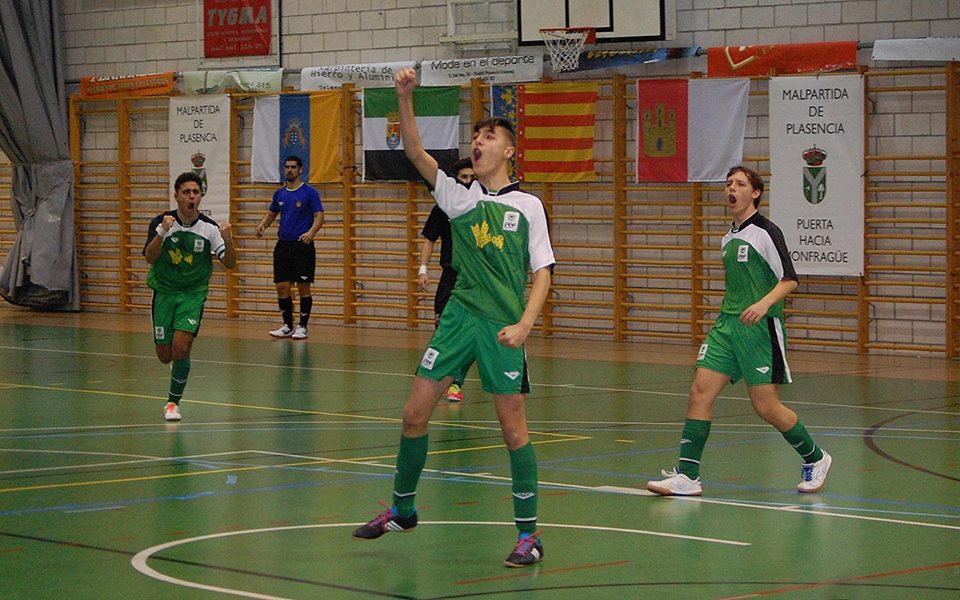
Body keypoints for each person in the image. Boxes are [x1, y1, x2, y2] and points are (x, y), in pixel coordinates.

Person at [352, 68, 555, 569]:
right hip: (459, 319)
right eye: (477, 135)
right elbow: (417, 153)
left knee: (513, 431)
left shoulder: (528, 206)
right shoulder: (458, 198)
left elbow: (544, 272)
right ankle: (403, 510)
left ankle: (529, 536)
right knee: (413, 414)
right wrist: (403, 98)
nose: (479, 141)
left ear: (508, 151)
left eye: (490, 137)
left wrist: (527, 323)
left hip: (503, 328)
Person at [647, 166, 832, 496]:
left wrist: (763, 304)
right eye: (728, 183)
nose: (732, 189)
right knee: (699, 392)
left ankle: (816, 457)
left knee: (766, 407)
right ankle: (688, 476)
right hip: (727, 327)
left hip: (760, 329)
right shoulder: (728, 237)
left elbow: (789, 279)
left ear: (755, 193)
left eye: (740, 184)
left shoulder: (766, 232)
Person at [143, 172, 237, 422]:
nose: (192, 197)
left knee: (181, 348)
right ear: (176, 196)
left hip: (192, 295)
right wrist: (162, 233)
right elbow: (150, 258)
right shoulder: (161, 223)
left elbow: (229, 264)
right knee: (165, 355)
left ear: (201, 196)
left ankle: (172, 403)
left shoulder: (210, 228)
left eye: (196, 192)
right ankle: (176, 363)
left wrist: (229, 240)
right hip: (164, 292)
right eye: (186, 192)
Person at [418, 157, 476, 402]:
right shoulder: (443, 206)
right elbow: (429, 239)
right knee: (443, 329)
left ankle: (456, 383)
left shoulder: (481, 207)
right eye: (464, 177)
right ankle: (441, 376)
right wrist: (423, 268)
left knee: (470, 333)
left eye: (473, 178)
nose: (468, 182)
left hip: (474, 279)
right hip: (450, 277)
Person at [255, 155, 324, 340]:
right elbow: (271, 213)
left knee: (303, 287)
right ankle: (287, 324)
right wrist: (263, 225)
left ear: (300, 169)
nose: (289, 170)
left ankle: (303, 326)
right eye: (287, 167)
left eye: (293, 167)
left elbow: (319, 216)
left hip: (302, 246)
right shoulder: (280, 194)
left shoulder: (309, 192)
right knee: (282, 287)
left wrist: (311, 233)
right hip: (283, 246)